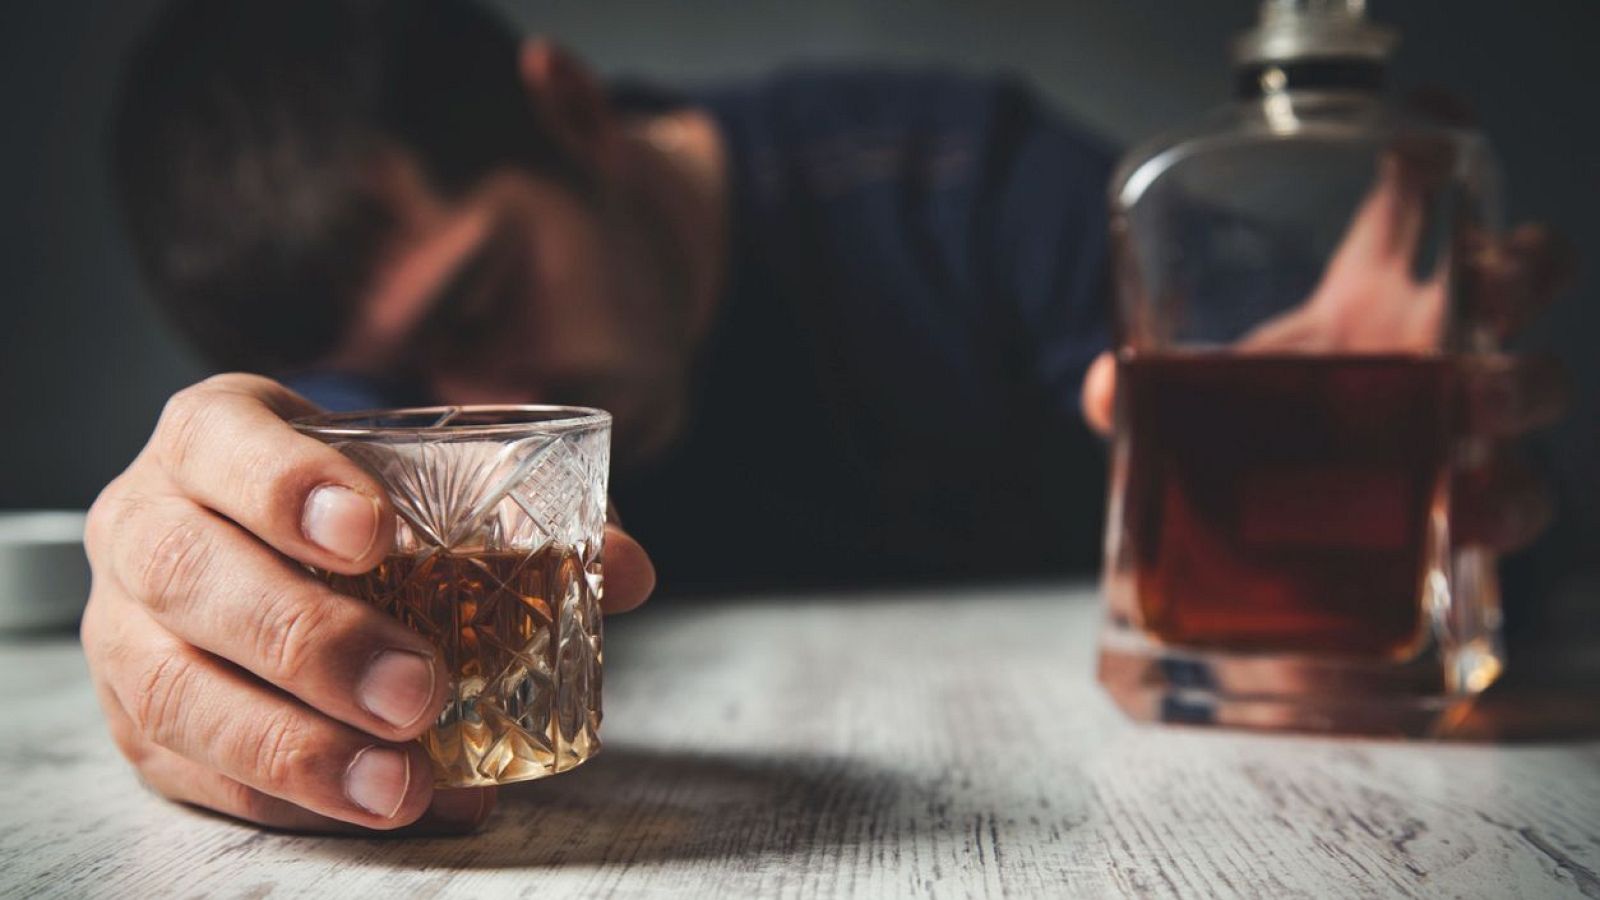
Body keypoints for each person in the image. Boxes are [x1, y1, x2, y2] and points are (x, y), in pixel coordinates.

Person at [83, 0, 1571, 835]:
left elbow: (1436, 470)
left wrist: (1351, 462)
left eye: (481, 307)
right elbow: (264, 547)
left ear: (575, 115)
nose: (466, 415)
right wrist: (189, 600)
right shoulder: (381, 410)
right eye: (393, 391)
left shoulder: (966, 189)